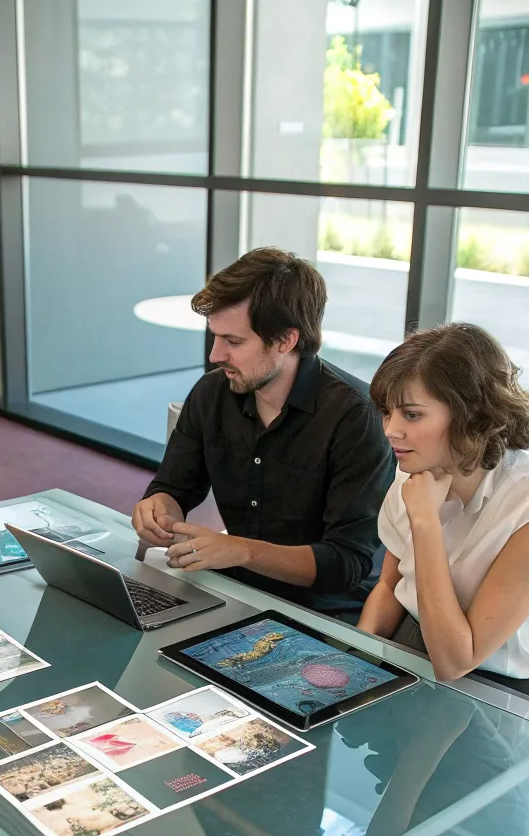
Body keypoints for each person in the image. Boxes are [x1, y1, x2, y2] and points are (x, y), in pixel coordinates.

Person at [132, 247, 395, 619]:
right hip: (235, 591)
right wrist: (158, 508)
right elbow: (173, 488)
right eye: (215, 337)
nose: (215, 355)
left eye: (234, 342)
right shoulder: (211, 394)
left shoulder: (355, 417)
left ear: (286, 340)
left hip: (324, 616)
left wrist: (242, 550)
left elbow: (346, 564)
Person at [358, 323, 529, 705]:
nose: (391, 430)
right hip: (409, 649)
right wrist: (353, 664)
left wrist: (425, 521)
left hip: (497, 690)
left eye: (411, 415)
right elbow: (389, 588)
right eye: (386, 412)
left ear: (472, 414)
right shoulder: (414, 465)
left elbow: (455, 661)